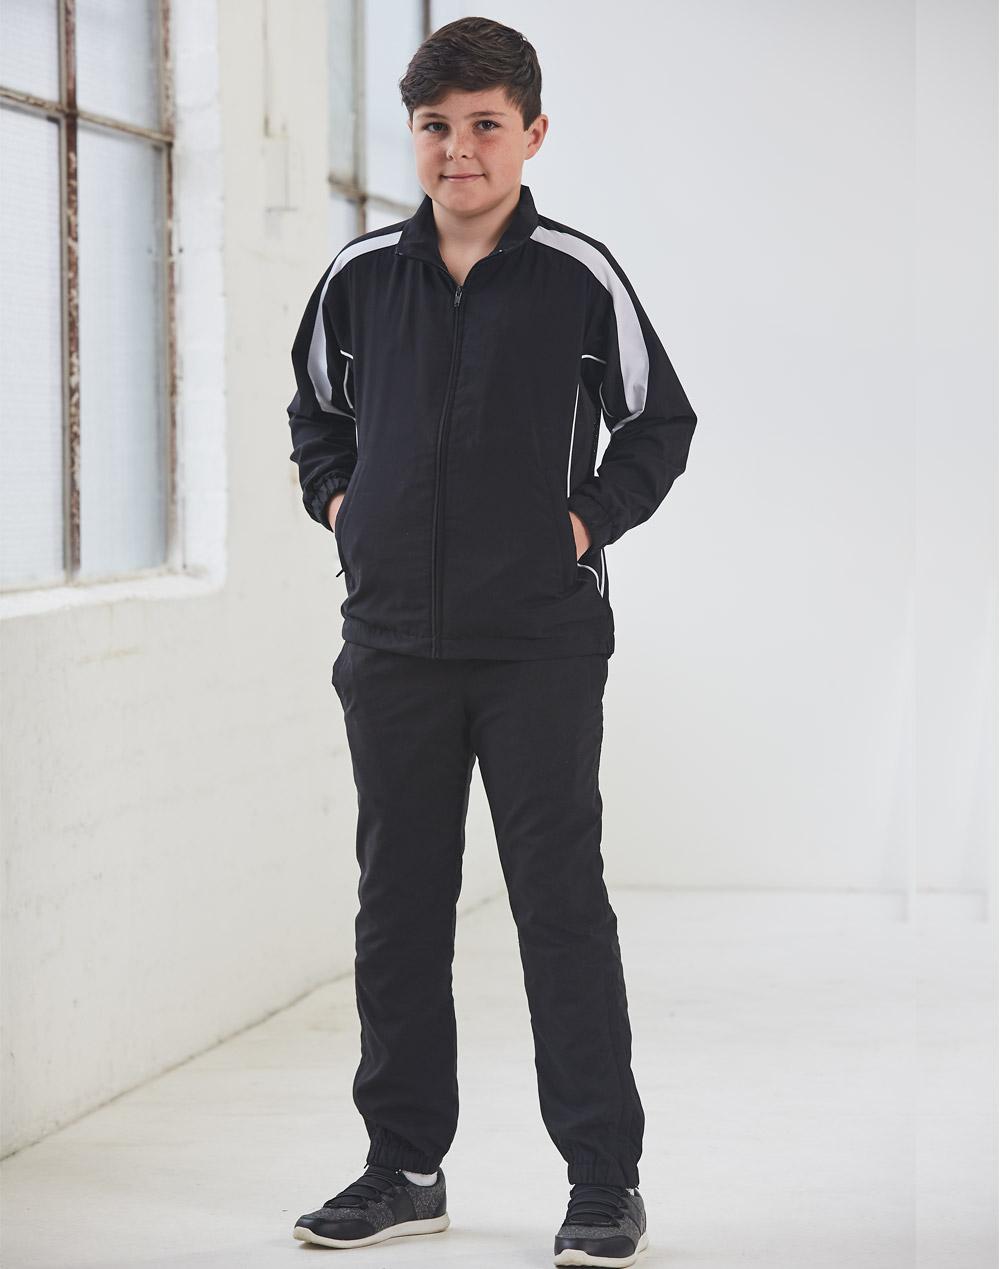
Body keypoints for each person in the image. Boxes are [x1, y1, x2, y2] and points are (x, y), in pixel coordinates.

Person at [286, 16, 697, 1267]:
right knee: (398, 908)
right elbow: (316, 416)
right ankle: (403, 1168)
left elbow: (659, 424)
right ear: (412, 134)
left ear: (531, 133)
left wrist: (578, 525)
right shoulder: (360, 276)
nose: (457, 150)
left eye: (483, 125)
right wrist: (344, 507)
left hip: (539, 648)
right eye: (435, 126)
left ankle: (603, 1180)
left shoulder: (576, 275)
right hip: (393, 645)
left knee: (557, 906)